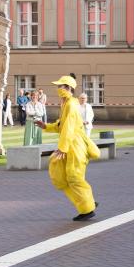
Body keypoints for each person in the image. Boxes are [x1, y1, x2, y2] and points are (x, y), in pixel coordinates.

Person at [36, 76, 100, 221]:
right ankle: (87, 203)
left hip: (75, 147)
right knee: (62, 178)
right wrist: (46, 126)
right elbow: (61, 125)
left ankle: (88, 208)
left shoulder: (71, 104)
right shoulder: (66, 104)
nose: (59, 89)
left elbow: (69, 128)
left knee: (74, 177)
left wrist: (62, 148)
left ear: (69, 88)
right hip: (70, 146)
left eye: (62, 86)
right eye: (59, 86)